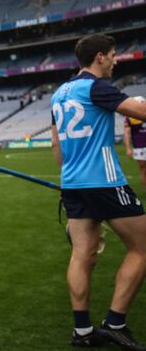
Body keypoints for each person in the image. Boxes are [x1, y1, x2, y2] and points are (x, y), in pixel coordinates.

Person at [50, 34, 146, 350]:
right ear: (100, 57)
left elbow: (57, 147)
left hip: (74, 185)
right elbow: (139, 111)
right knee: (143, 248)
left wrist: (68, 179)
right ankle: (114, 323)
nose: (116, 61)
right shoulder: (97, 87)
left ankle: (82, 331)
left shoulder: (59, 94)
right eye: (114, 55)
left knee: (82, 253)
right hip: (105, 182)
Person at [123, 113, 146, 190]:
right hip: (139, 147)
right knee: (143, 169)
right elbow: (127, 133)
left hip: (139, 147)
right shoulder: (130, 117)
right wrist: (128, 148)